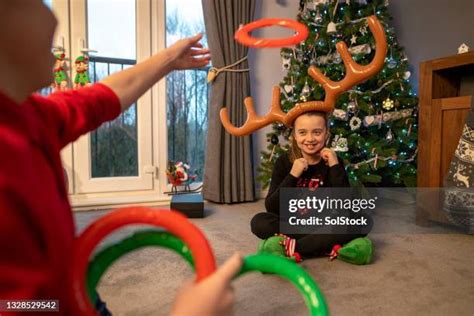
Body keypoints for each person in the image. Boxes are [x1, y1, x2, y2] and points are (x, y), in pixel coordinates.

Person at [0, 1, 240, 315]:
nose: (52, 17)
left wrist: (169, 59)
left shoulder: (26, 115)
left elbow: (102, 97)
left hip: (68, 290)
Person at [251, 111, 372, 258]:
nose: (310, 139)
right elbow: (272, 207)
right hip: (294, 224)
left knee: (364, 221)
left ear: (326, 134)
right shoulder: (284, 162)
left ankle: (297, 247)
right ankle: (323, 244)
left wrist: (334, 166)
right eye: (302, 132)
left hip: (325, 223)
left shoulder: (334, 161)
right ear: (294, 135)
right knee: (259, 222)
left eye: (317, 132)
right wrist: (293, 175)